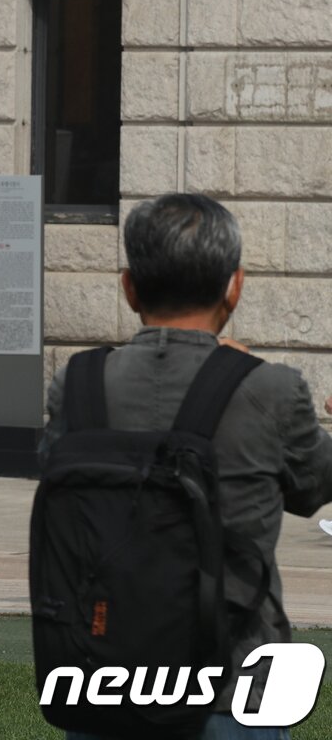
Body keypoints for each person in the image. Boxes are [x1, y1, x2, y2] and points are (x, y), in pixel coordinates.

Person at [44, 193, 332, 740]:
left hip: (106, 675)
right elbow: (314, 486)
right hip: (233, 685)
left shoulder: (77, 385)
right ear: (235, 286)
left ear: (129, 287)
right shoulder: (270, 390)